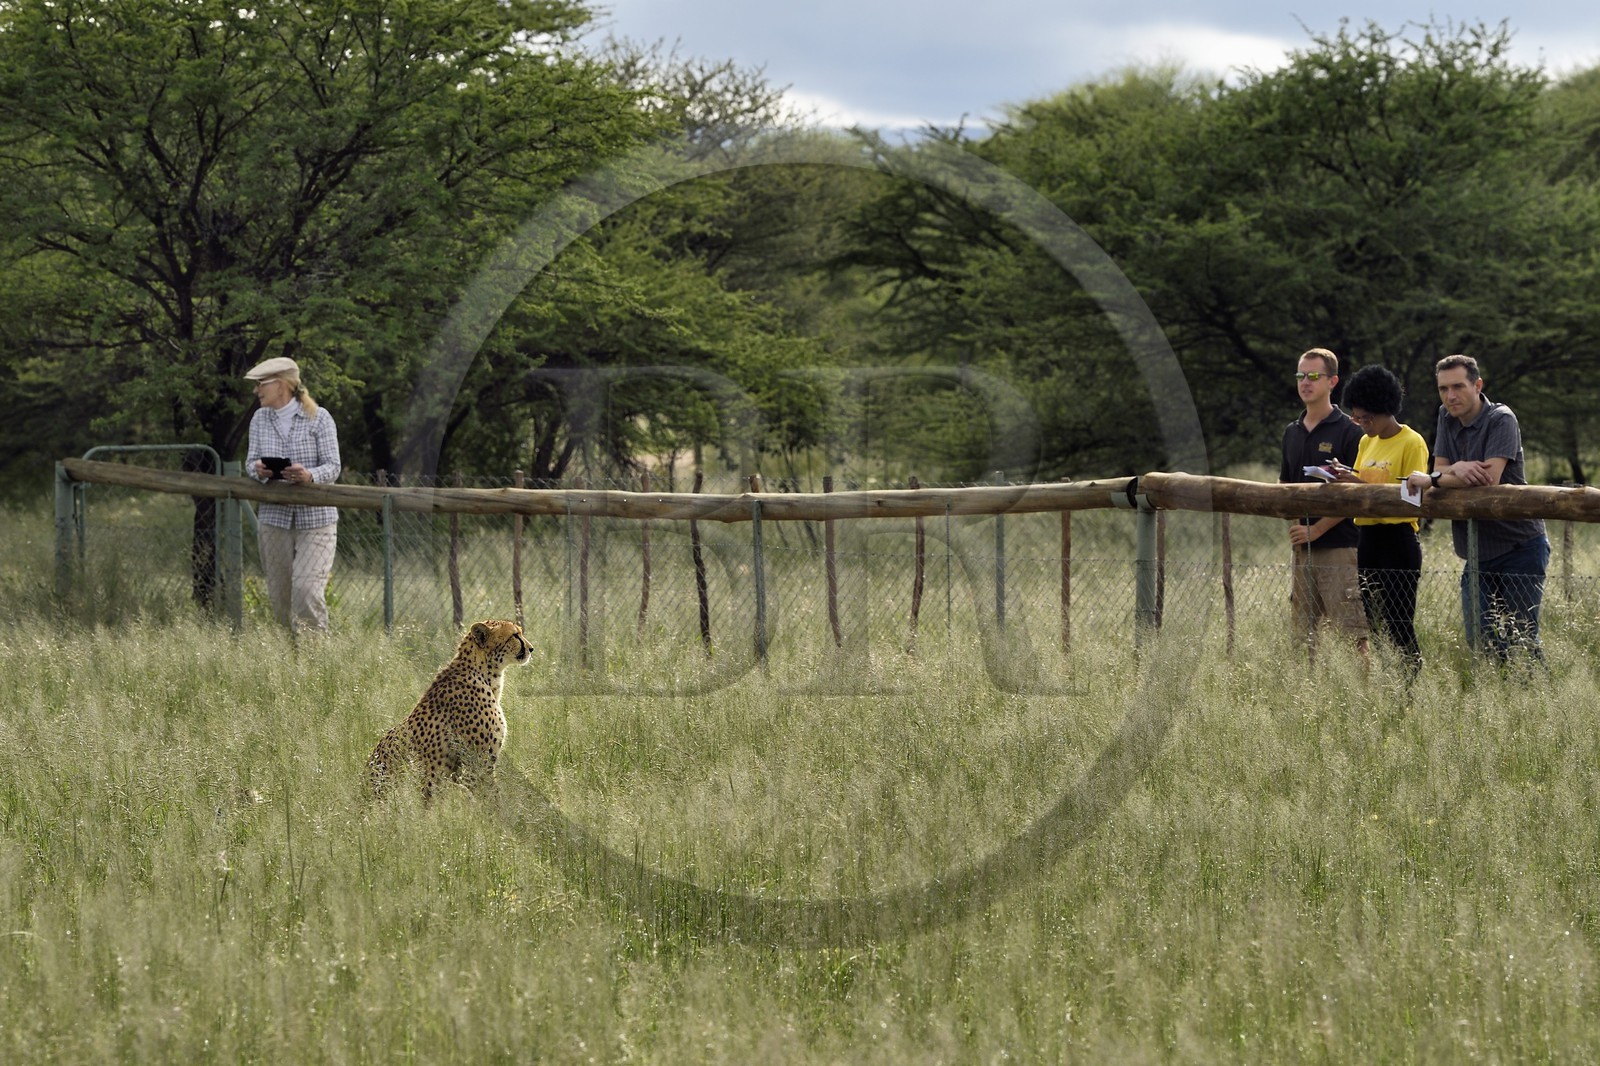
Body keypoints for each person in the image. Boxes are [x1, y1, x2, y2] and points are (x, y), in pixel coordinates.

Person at [1404, 355, 1547, 660]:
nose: (1450, 395)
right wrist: (1457, 466)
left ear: (1477, 385)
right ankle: (1499, 700)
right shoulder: (1446, 415)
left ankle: (1532, 699)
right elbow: (1442, 468)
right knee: (1480, 640)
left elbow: (1488, 479)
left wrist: (1436, 477)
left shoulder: (1501, 419)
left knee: (1521, 639)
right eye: (1443, 388)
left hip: (1519, 545)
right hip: (1476, 550)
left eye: (1458, 386)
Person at [1332, 365, 1429, 673]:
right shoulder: (1365, 442)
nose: (1361, 424)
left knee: (1399, 620)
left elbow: (1409, 499)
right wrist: (1343, 478)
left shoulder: (1412, 442)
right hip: (1368, 539)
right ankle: (1388, 681)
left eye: (1365, 418)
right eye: (1357, 418)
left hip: (1398, 538)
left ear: (1385, 410)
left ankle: (1409, 680)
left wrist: (1357, 484)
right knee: (1373, 621)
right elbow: (1361, 485)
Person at [1279, 347, 1367, 658]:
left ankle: (1361, 701)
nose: (1305, 382)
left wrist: (1316, 530)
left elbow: (1357, 494)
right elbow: (1284, 490)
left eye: (1314, 376)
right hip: (1302, 549)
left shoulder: (1351, 431)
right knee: (1303, 639)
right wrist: (1298, 530)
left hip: (1341, 548)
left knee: (1352, 637)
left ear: (1333, 382)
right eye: (1301, 375)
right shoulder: (1291, 432)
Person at [244, 356, 341, 633]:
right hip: (274, 518)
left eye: (261, 384)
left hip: (317, 519)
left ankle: (316, 662)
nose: (256, 390)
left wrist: (309, 476)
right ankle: (290, 663)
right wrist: (258, 470)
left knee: (306, 589)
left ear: (282, 385)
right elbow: (250, 462)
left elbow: (333, 466)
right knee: (280, 596)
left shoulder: (319, 417)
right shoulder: (259, 419)